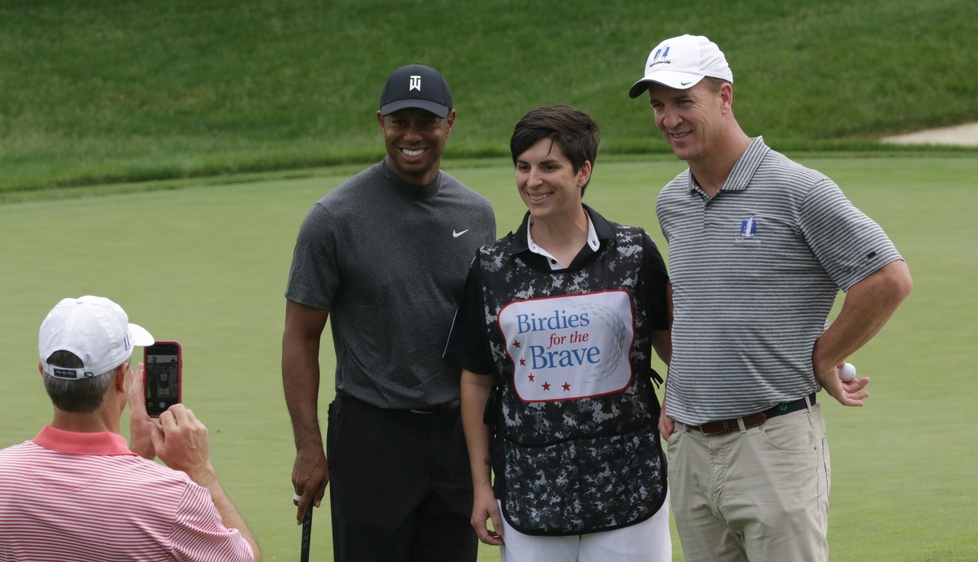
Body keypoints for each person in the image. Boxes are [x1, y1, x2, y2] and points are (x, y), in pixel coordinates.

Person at [628, 34, 913, 561]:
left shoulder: (796, 188)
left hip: (773, 443)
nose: (669, 119)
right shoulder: (673, 201)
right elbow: (692, 298)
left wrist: (824, 356)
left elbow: (887, 277)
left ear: (725, 97)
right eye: (659, 106)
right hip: (689, 450)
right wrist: (680, 385)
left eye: (683, 101)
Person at [282, 63, 496, 561]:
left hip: (454, 436)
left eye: (427, 121)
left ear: (451, 122)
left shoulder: (476, 214)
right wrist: (309, 446)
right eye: (401, 122)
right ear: (382, 122)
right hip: (371, 435)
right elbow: (300, 336)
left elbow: (483, 338)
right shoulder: (333, 219)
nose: (413, 135)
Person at [444, 104, 672, 562]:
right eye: (523, 167)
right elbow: (476, 380)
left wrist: (678, 405)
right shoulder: (491, 268)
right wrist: (480, 486)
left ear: (583, 171)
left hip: (630, 488)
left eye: (549, 166)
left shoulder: (633, 252)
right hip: (531, 493)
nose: (533, 180)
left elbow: (677, 350)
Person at [0, 295, 261, 561]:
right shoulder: (171, 496)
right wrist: (199, 471)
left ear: (43, 371)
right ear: (121, 379)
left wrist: (136, 458)